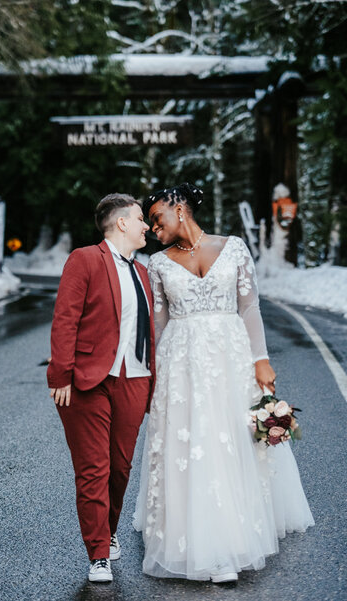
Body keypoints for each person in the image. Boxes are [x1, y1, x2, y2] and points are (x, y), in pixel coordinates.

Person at [133, 183, 314, 582]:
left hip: (231, 356)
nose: (153, 228)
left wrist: (261, 360)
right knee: (195, 441)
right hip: (181, 361)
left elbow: (250, 308)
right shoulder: (158, 264)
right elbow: (158, 326)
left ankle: (240, 526)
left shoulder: (232, 247)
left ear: (179, 209)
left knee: (232, 435)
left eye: (157, 218)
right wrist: (154, 378)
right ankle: (211, 548)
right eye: (148, 223)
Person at [48, 193, 155, 583]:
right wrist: (61, 374)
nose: (147, 226)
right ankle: (98, 554)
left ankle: (107, 532)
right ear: (121, 222)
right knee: (93, 469)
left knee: (121, 468)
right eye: (141, 218)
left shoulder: (143, 273)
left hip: (135, 378)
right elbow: (65, 318)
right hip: (88, 381)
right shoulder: (86, 259)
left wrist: (154, 383)